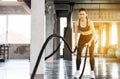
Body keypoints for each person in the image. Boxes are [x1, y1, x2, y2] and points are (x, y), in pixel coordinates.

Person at [74, 8, 96, 78]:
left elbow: (94, 34)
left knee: (91, 55)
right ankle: (77, 72)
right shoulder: (77, 22)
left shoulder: (89, 22)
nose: (82, 15)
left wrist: (90, 42)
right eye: (80, 14)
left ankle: (92, 72)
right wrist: (75, 42)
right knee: (78, 54)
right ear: (78, 15)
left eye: (83, 14)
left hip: (90, 37)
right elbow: (76, 34)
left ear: (86, 15)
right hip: (82, 37)